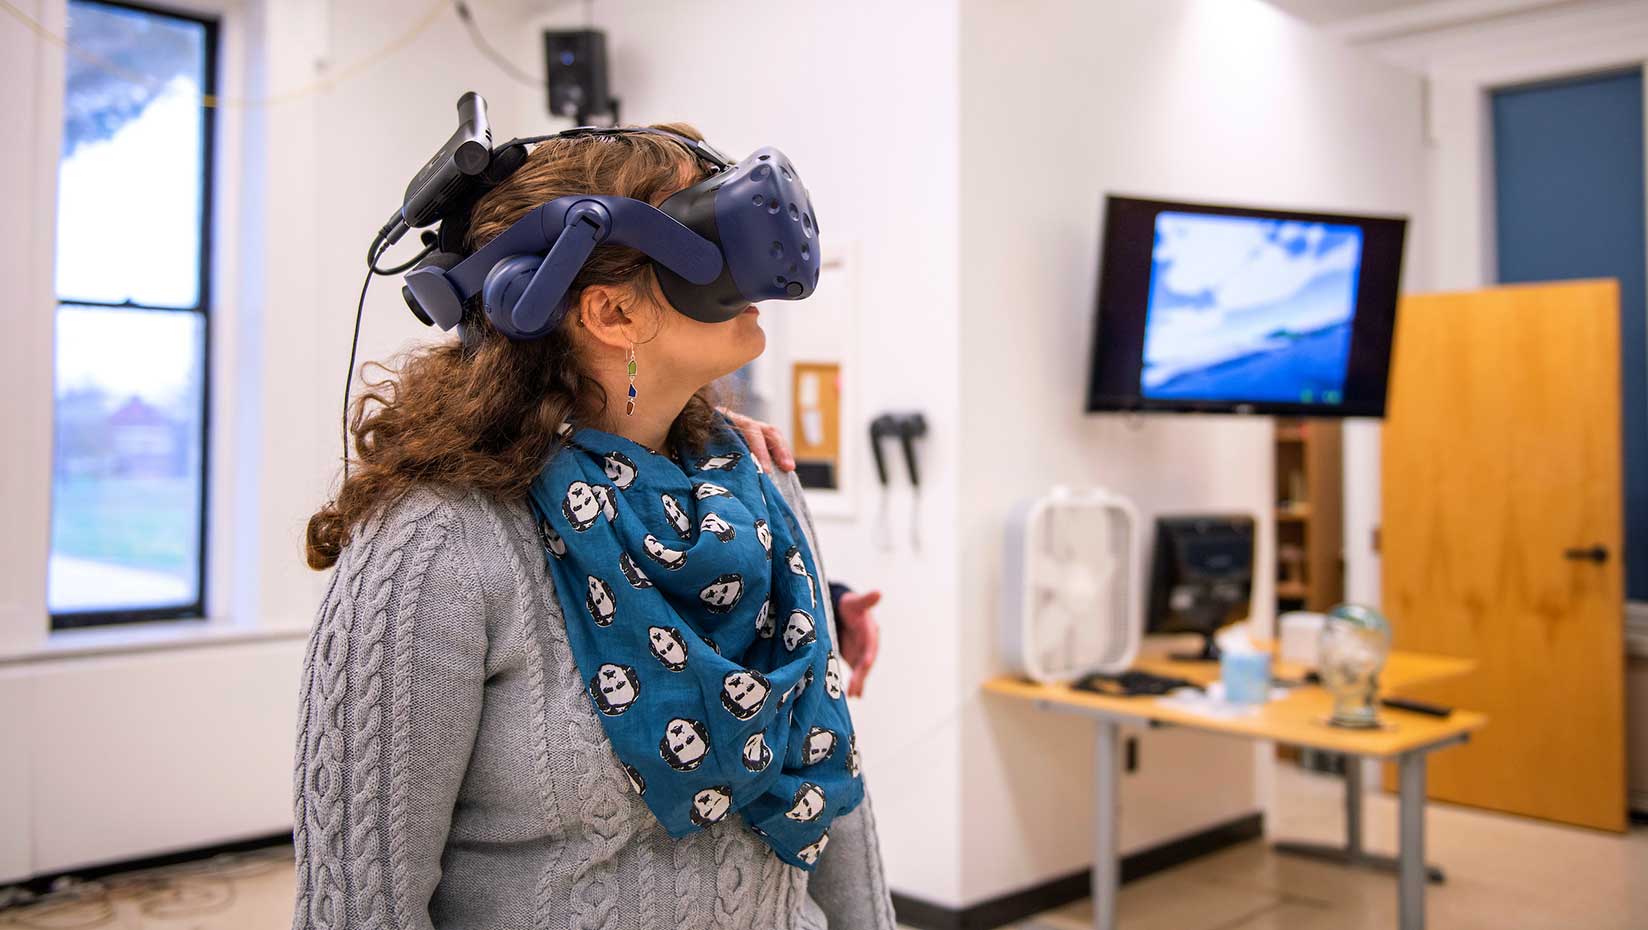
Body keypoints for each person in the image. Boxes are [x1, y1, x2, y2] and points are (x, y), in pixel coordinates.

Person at [292, 125, 896, 930]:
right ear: (611, 312)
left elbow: (829, 794)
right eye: (701, 225)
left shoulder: (760, 486)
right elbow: (361, 908)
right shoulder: (438, 544)